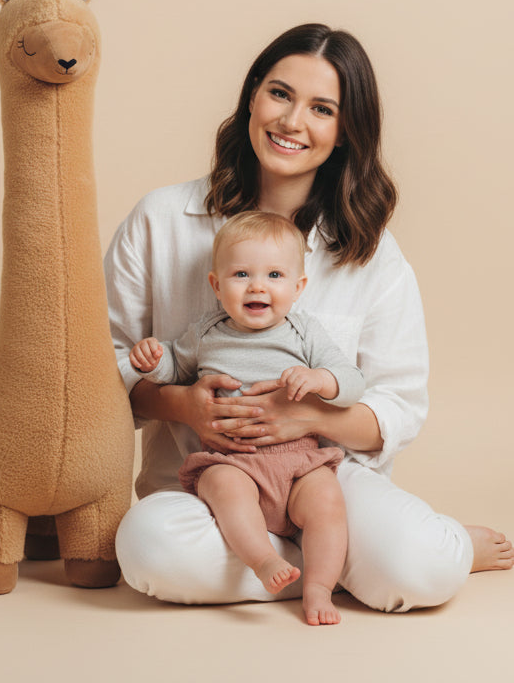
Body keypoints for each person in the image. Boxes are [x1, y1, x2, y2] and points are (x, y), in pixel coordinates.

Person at [105, 23, 514, 614]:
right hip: (206, 482)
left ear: (345, 131)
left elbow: (397, 407)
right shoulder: (160, 220)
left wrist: (305, 415)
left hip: (325, 476)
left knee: (422, 570)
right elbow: (107, 371)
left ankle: (396, 549)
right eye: (279, 94)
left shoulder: (372, 252)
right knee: (148, 551)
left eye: (322, 108)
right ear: (252, 96)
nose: (292, 122)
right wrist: (183, 404)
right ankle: (334, 566)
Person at [130, 210, 364, 624]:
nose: (258, 285)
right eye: (241, 275)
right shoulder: (206, 332)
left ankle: (318, 588)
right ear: (216, 286)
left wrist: (318, 379)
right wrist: (152, 360)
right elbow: (173, 368)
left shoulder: (304, 333)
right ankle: (263, 562)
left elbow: (352, 381)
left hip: (299, 462)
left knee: (328, 501)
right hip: (232, 458)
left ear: (298, 287)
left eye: (275, 275)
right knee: (222, 487)